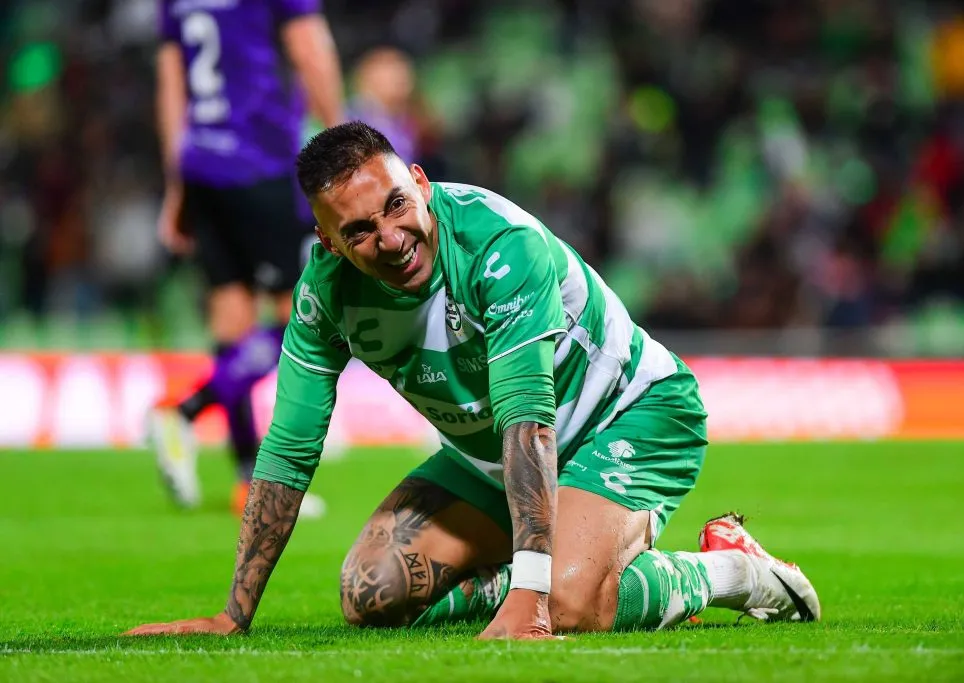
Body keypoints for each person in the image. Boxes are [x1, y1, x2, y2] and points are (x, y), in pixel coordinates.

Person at [127, 122, 820, 639]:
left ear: (420, 182)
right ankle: (540, 570)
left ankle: (731, 571)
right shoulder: (325, 295)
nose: (390, 237)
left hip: (629, 414)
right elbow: (288, 446)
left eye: (397, 205)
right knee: (371, 593)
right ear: (330, 242)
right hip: (491, 457)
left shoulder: (498, 244)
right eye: (360, 231)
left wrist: (532, 591)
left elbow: (528, 416)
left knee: (565, 602)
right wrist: (234, 614)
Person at [146, 0, 344, 515]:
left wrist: (176, 182)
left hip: (201, 166)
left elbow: (171, 83)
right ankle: (185, 409)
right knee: (301, 319)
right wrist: (346, 151)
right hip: (260, 163)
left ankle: (246, 483)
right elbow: (309, 50)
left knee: (231, 321)